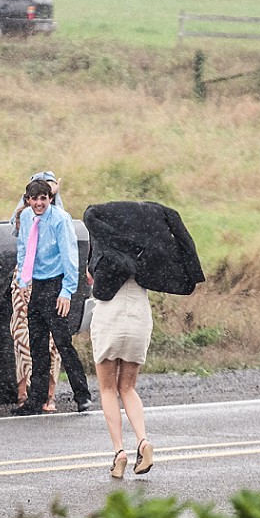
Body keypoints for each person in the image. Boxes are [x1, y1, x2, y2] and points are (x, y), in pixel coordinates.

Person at [83, 201, 205, 477]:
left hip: (109, 313)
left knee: (107, 389)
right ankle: (143, 440)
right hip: (138, 314)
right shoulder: (145, 254)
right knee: (128, 388)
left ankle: (119, 452)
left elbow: (92, 275)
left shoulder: (107, 248)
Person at [11, 178, 92, 416]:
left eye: (43, 199)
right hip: (36, 284)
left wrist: (67, 291)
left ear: (50, 199)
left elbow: (69, 255)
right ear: (28, 200)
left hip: (56, 285)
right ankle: (36, 399)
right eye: (34, 199)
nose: (38, 203)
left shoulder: (59, 219)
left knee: (63, 342)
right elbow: (24, 248)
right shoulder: (26, 218)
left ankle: (82, 395)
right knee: (37, 345)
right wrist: (23, 281)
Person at [8, 171, 65, 411]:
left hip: (51, 278)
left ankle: (48, 394)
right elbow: (15, 229)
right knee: (22, 334)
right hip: (26, 277)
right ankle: (25, 391)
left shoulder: (57, 215)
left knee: (52, 339)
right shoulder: (25, 213)